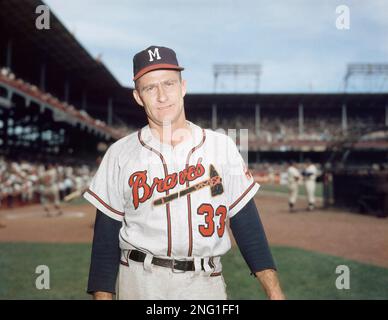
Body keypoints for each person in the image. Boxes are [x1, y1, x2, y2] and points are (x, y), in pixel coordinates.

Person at [84, 46, 284, 300]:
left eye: (168, 84)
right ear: (138, 97)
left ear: (183, 87)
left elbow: (246, 223)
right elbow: (104, 238)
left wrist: (274, 291)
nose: (161, 96)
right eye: (150, 88)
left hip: (204, 284)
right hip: (139, 281)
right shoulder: (119, 154)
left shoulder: (221, 147)